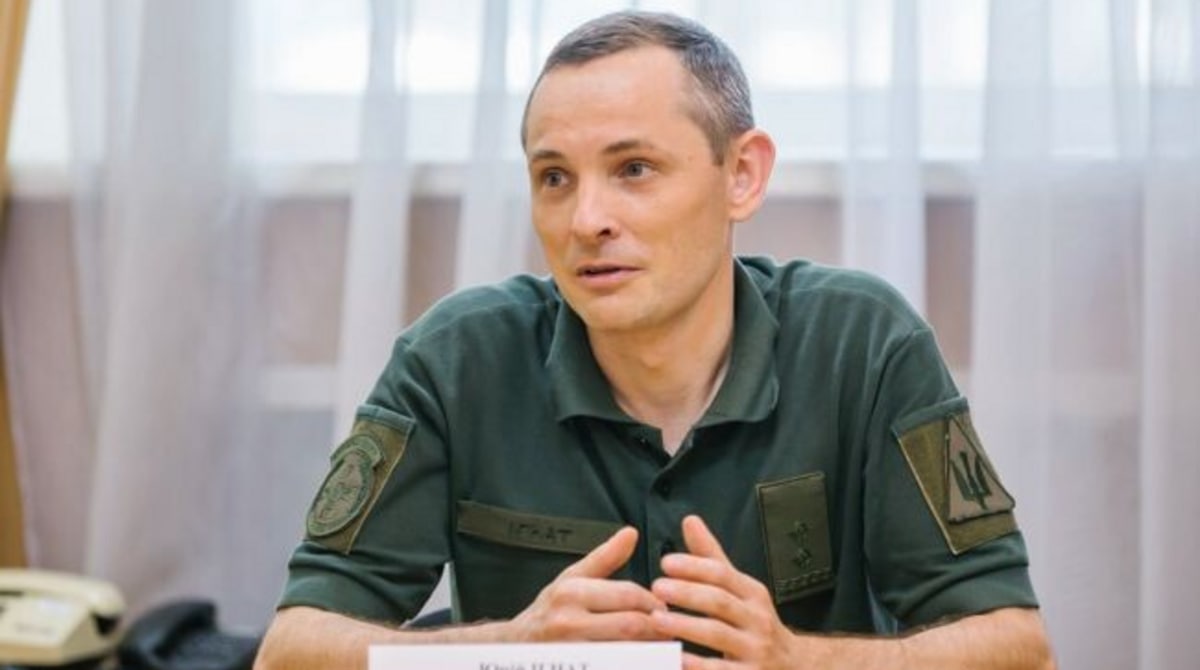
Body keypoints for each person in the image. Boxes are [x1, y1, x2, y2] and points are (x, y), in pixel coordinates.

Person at [255, 10, 1054, 670]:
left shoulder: (865, 342)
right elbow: (291, 650)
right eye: (554, 177)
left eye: (633, 168)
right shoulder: (455, 359)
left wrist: (797, 660)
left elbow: (1018, 648)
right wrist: (507, 652)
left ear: (742, 175)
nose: (586, 220)